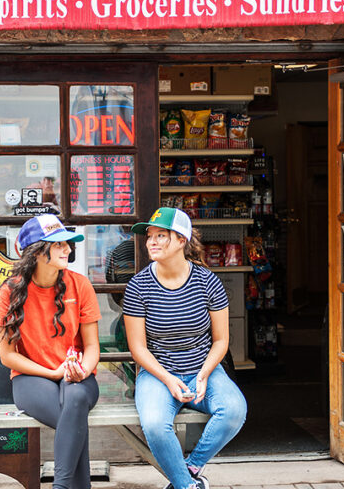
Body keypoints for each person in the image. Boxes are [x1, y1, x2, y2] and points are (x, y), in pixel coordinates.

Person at [122, 207, 247, 489]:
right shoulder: (138, 286)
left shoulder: (207, 282)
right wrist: (167, 378)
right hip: (157, 374)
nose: (151, 241)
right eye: (149, 236)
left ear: (181, 240)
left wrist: (203, 374)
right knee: (155, 425)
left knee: (234, 409)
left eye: (160, 235)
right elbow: (138, 349)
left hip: (203, 369)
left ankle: (190, 467)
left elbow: (221, 340)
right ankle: (186, 485)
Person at [0, 213, 101, 489]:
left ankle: (59, 486)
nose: (67, 248)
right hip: (31, 378)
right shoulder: (10, 292)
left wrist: (81, 370)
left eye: (68, 243)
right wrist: (53, 372)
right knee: (74, 423)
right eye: (58, 244)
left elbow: (91, 347)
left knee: (75, 400)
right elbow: (8, 356)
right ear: (37, 252)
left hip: (79, 375)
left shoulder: (80, 285)